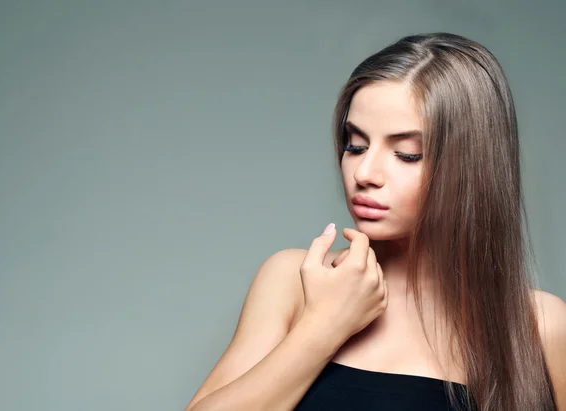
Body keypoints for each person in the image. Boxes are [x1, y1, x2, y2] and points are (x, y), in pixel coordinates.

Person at [185, 32, 566, 411]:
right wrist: (324, 326)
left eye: (406, 154)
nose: (364, 172)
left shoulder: (537, 326)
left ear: (472, 167)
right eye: (356, 145)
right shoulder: (295, 279)